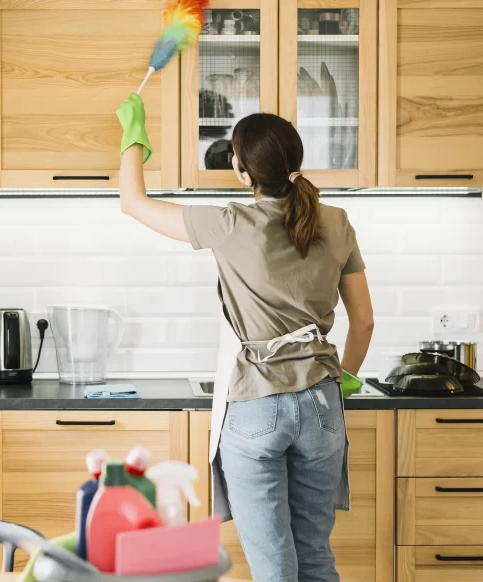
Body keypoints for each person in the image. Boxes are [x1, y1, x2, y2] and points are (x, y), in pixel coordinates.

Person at [116, 94, 374, 582]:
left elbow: (133, 203)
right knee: (315, 555)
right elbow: (363, 321)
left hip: (256, 406)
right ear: (296, 162)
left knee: (275, 564)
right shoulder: (336, 222)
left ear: (240, 169)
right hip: (322, 403)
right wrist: (348, 378)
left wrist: (134, 135)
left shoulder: (229, 221)